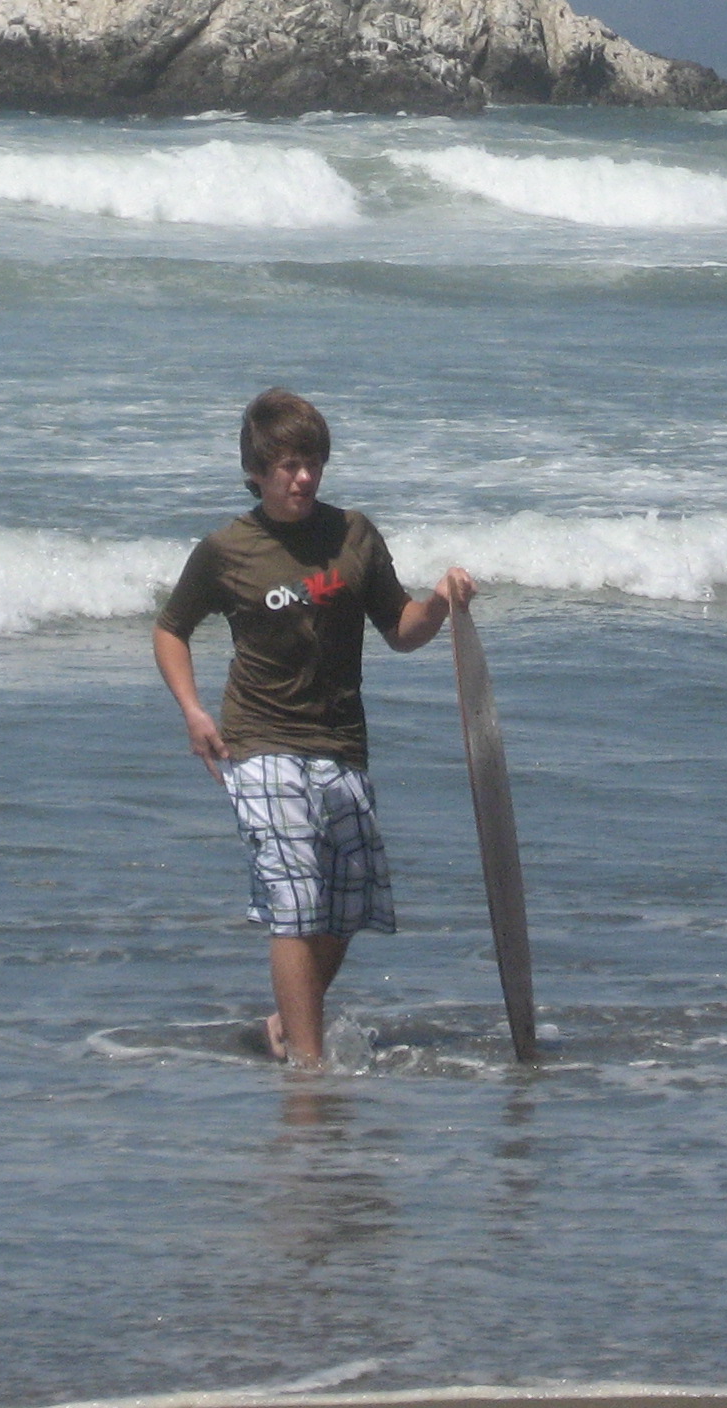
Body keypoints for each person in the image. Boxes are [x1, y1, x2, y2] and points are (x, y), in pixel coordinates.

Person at [153, 387, 475, 1070]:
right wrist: (193, 711)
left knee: (349, 904)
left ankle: (284, 1021)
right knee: (296, 898)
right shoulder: (227, 550)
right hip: (260, 740)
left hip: (340, 743)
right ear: (256, 471)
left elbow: (401, 631)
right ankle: (308, 1068)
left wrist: (441, 604)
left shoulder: (353, 535)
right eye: (287, 465)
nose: (301, 478)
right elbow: (171, 629)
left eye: (311, 464)